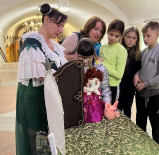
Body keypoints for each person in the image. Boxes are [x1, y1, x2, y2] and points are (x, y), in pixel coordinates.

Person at [15, 3, 68, 154]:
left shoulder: (54, 46)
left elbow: (61, 68)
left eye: (63, 26)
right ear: (46, 19)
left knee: (47, 134)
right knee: (37, 135)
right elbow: (41, 74)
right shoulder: (31, 43)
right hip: (34, 97)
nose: (61, 30)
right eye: (58, 25)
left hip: (48, 95)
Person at [133, 21, 159, 147]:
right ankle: (142, 147)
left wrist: (146, 84)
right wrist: (136, 74)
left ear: (157, 34)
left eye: (148, 36)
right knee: (140, 123)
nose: (145, 39)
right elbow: (141, 68)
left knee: (156, 126)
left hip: (154, 96)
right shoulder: (144, 52)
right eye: (143, 36)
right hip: (141, 95)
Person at [99, 19, 127, 104]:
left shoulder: (122, 50)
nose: (113, 38)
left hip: (113, 87)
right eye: (111, 34)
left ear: (121, 36)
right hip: (100, 84)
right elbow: (100, 69)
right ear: (107, 32)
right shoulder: (102, 48)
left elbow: (119, 75)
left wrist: (102, 64)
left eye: (116, 36)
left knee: (110, 113)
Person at [76, 38, 111, 103]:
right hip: (79, 105)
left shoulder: (101, 69)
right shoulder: (74, 68)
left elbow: (105, 90)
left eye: (88, 57)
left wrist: (107, 105)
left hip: (96, 104)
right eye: (82, 57)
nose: (85, 61)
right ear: (77, 54)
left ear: (93, 55)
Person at [118, 26, 141, 118]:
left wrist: (137, 73)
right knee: (116, 110)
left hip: (129, 88)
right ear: (123, 37)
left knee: (127, 112)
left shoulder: (138, 54)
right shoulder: (118, 50)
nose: (130, 40)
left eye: (134, 38)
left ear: (137, 40)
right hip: (118, 86)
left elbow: (140, 69)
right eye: (128, 37)